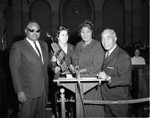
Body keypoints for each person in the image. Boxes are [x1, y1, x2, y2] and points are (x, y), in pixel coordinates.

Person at [9, 21, 49, 118]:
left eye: (38, 31)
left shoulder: (44, 45)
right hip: (28, 91)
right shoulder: (18, 46)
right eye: (32, 30)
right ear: (26, 31)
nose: (35, 33)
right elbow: (15, 71)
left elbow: (44, 65)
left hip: (43, 89)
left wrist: (54, 63)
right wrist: (19, 91)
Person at [72, 20, 104, 117]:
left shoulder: (97, 45)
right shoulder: (78, 45)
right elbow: (75, 61)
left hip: (91, 83)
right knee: (80, 109)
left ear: (92, 32)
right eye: (82, 32)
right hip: (78, 81)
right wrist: (74, 67)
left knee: (92, 110)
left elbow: (96, 65)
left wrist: (79, 71)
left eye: (88, 32)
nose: (85, 34)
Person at [98, 29, 132, 117]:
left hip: (118, 101)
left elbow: (126, 79)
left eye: (108, 38)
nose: (105, 42)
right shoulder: (106, 53)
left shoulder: (122, 56)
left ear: (115, 39)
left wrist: (108, 78)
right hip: (106, 100)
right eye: (102, 39)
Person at [50, 26, 75, 118]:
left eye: (66, 35)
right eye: (62, 35)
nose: (65, 37)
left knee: (71, 103)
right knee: (60, 104)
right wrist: (53, 64)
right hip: (59, 78)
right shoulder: (54, 48)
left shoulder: (72, 47)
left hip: (71, 78)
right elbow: (50, 65)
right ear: (57, 37)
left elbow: (76, 62)